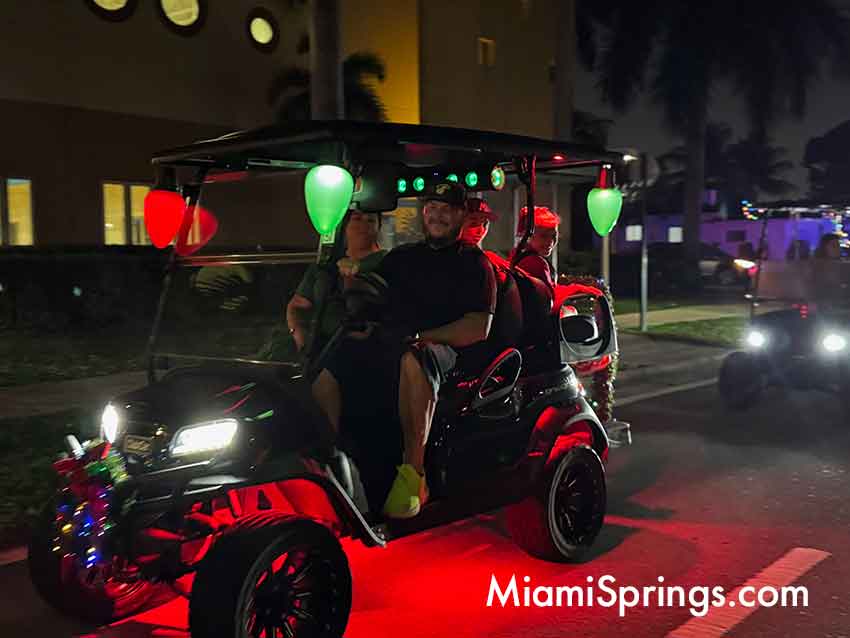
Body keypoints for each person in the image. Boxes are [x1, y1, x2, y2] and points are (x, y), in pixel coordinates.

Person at [312, 181, 497, 519]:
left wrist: (424, 335)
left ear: (459, 216)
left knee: (413, 359)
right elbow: (370, 291)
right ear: (424, 212)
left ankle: (414, 474)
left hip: (444, 347)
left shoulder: (474, 264)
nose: (437, 215)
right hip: (393, 339)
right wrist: (346, 278)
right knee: (333, 358)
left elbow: (477, 327)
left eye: (446, 210)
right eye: (432, 208)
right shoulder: (403, 256)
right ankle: (328, 459)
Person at [286, 210, 386, 352]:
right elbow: (297, 305)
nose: (363, 225)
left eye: (370, 221)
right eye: (357, 219)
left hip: (365, 350)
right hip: (316, 348)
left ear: (379, 226)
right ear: (345, 225)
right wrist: (299, 335)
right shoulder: (325, 264)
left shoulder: (389, 262)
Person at [509, 205, 561, 290]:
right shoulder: (536, 263)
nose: (551, 241)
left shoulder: (516, 254)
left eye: (554, 236)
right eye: (543, 236)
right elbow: (550, 298)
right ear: (526, 235)